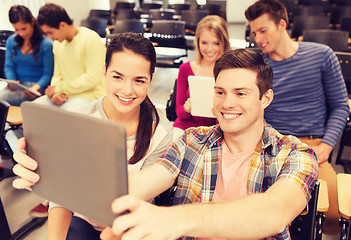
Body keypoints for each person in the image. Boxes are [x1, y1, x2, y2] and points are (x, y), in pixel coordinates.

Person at [13, 49, 318, 240]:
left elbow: (272, 213)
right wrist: (55, 176)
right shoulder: (191, 141)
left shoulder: (295, 155)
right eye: (220, 92)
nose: (227, 104)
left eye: (241, 93)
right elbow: (130, 189)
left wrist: (172, 220)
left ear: (266, 98)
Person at [14, 32, 172, 240]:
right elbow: (63, 197)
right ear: (104, 72)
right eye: (117, 76)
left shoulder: (161, 131)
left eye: (139, 80)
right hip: (84, 217)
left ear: (151, 79)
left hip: (131, 222)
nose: (127, 90)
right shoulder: (81, 119)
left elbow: (138, 201)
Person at [244, 0, 350, 234]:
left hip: (311, 146)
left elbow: (341, 106)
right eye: (254, 32)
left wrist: (327, 144)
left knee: (332, 215)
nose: (258, 38)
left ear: (282, 24)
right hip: (269, 145)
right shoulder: (258, 64)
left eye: (263, 30)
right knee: (257, 211)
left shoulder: (321, 55)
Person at [33, 3, 106, 111]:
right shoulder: (58, 43)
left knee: (63, 117)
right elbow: (57, 75)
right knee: (33, 108)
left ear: (62, 25)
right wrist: (55, 94)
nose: (49, 37)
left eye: (50, 32)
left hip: (90, 96)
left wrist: (60, 88)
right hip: (66, 94)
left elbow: (92, 79)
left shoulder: (91, 40)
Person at [173, 15, 231, 139]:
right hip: (185, 127)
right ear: (197, 42)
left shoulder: (229, 72)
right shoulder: (185, 68)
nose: (209, 49)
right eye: (204, 43)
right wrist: (186, 109)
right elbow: (179, 112)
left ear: (224, 43)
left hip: (216, 131)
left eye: (216, 43)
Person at [0, 5, 54, 106]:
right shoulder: (12, 41)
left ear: (32, 22)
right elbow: (9, 66)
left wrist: (36, 87)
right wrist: (12, 81)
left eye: (24, 29)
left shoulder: (46, 43)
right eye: (16, 29)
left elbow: (48, 74)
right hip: (18, 86)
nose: (20, 33)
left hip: (37, 88)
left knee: (2, 99)